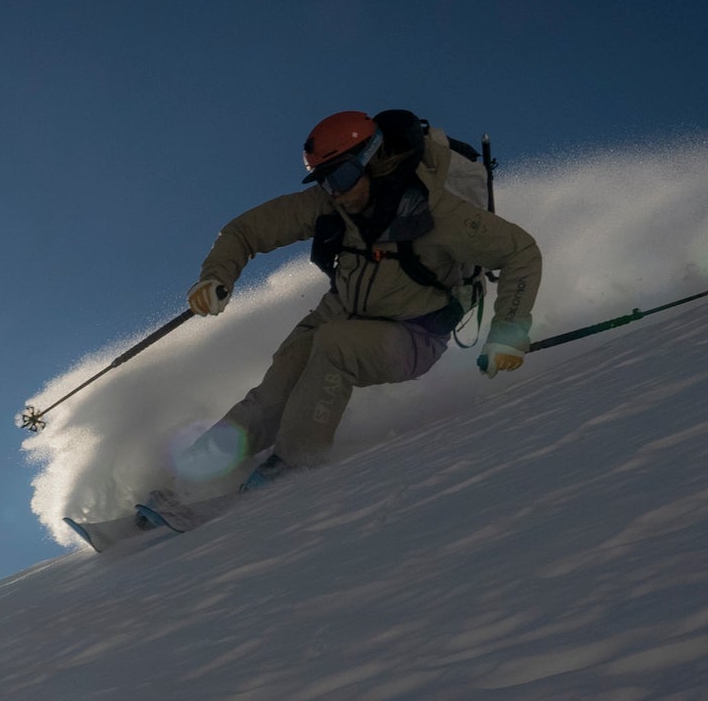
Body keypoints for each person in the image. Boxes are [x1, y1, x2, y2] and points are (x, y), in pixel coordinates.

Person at [179, 108, 542, 489]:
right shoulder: (332, 201)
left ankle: (291, 470)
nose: (335, 191)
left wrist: (508, 330)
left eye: (341, 177)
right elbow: (245, 231)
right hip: (341, 312)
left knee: (336, 347)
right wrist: (216, 276)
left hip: (413, 334)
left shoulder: (435, 211)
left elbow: (520, 252)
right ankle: (189, 477)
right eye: (325, 181)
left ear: (372, 160)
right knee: (276, 389)